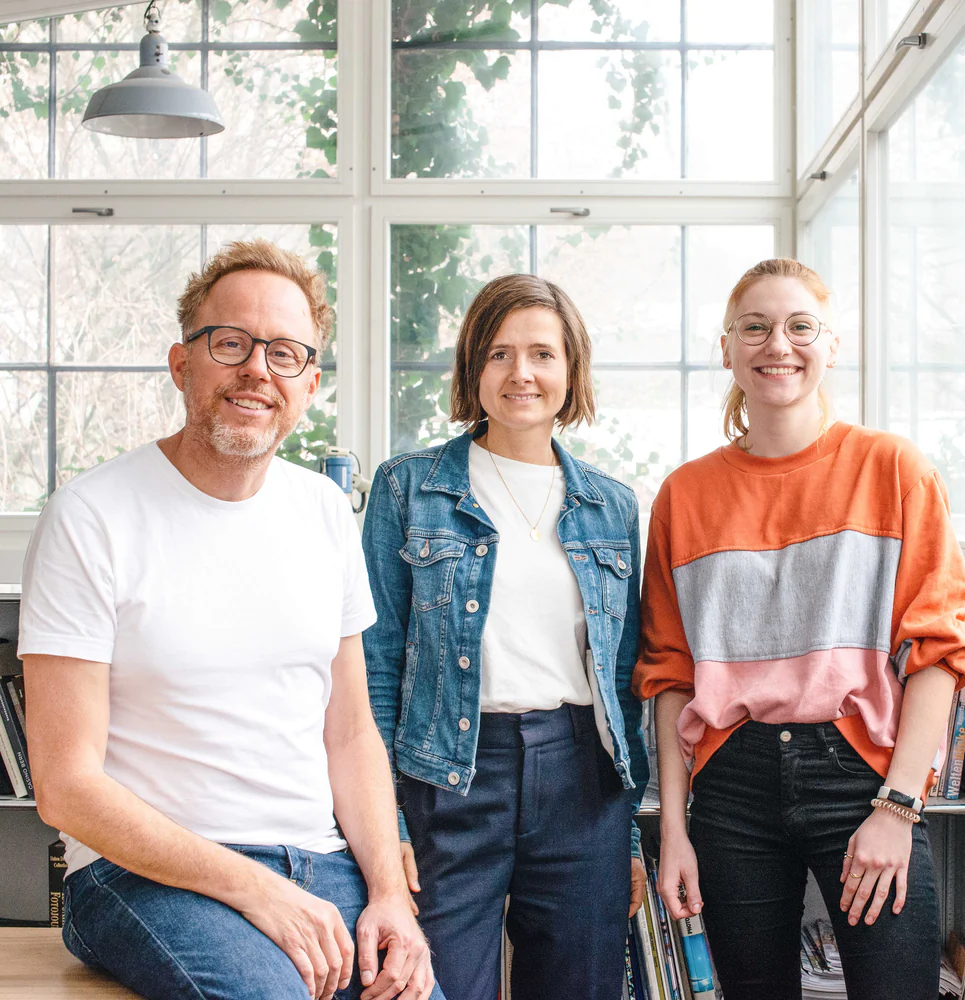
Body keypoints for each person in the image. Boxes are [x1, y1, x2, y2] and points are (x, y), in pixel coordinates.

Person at [18, 240, 441, 1000]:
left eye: (283, 353)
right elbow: (65, 786)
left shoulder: (324, 512)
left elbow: (349, 731)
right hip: (143, 876)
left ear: (309, 385)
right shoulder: (90, 516)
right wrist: (253, 888)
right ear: (183, 364)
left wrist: (387, 893)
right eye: (230, 344)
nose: (256, 370)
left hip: (326, 867)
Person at [634, 258, 965, 1000]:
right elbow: (669, 675)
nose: (777, 345)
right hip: (731, 786)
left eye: (799, 327)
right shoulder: (683, 495)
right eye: (754, 328)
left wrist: (897, 807)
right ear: (726, 348)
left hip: (859, 774)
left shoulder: (894, 470)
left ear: (831, 345)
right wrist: (674, 830)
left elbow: (940, 652)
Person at [362, 273, 649, 1000]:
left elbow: (622, 683)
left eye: (542, 354)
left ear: (570, 370)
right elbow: (377, 665)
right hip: (446, 774)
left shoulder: (612, 506)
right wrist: (384, 819)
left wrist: (633, 833)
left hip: (583, 780)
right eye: (498, 354)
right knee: (434, 985)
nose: (521, 373)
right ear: (472, 371)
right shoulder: (407, 488)